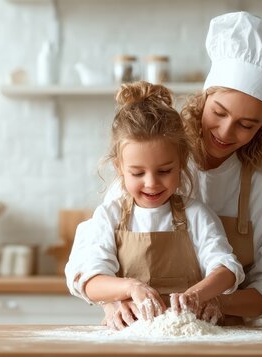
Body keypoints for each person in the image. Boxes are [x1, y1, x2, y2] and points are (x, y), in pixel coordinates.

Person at [100, 11, 262, 328]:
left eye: (247, 124)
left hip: (235, 336)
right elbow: (102, 250)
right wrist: (115, 300)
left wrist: (214, 301)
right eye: (219, 112)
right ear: (205, 96)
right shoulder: (156, 156)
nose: (226, 132)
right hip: (139, 330)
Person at [64, 80, 245, 328]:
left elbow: (227, 269)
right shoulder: (111, 215)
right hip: (128, 338)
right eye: (138, 173)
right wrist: (129, 288)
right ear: (120, 168)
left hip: (189, 336)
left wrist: (198, 295)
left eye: (164, 171)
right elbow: (89, 280)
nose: (151, 183)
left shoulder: (196, 214)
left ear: (181, 163)